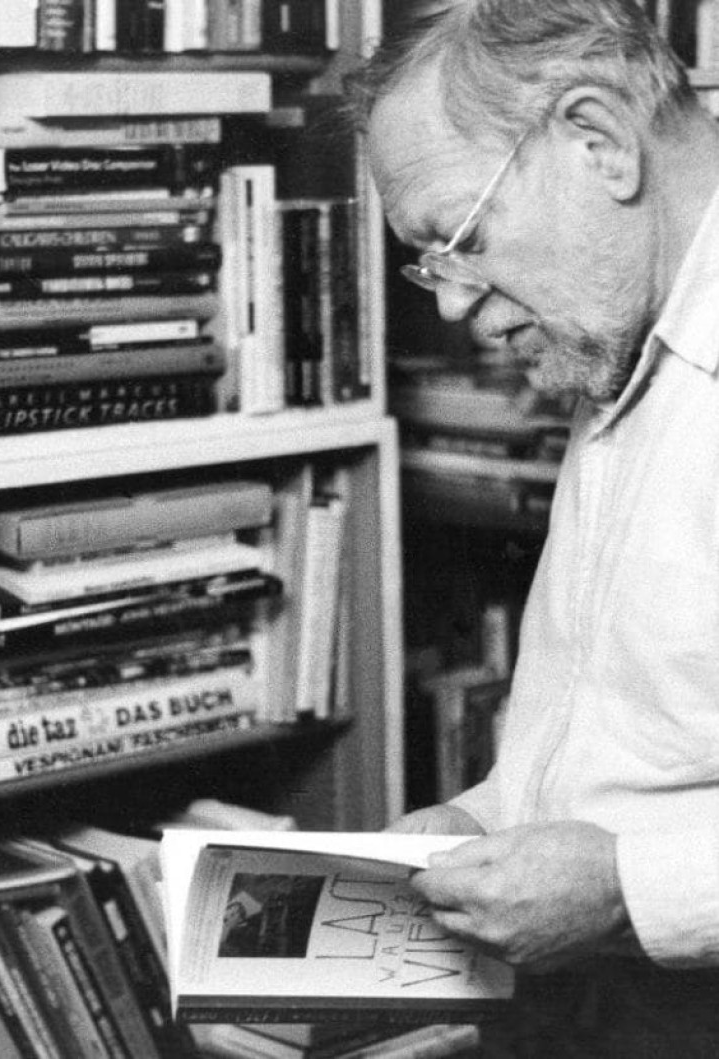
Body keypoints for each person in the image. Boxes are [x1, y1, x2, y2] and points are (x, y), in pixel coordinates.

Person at [352, 0, 719, 1053]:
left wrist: (624, 886)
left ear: (600, 142)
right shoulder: (623, 329)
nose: (452, 305)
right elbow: (645, 735)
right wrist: (485, 819)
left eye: (461, 238)